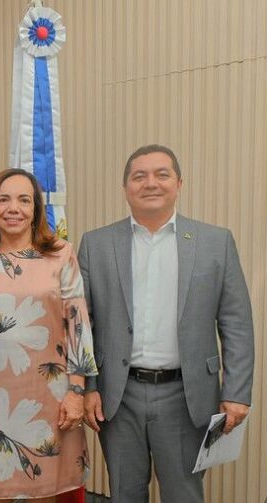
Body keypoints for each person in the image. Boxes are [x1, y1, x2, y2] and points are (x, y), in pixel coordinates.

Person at [78, 144, 254, 502]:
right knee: (124, 493)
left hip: (186, 395)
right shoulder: (96, 244)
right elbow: (83, 323)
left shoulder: (214, 242)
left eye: (162, 174)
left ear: (179, 183)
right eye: (139, 176)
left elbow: (236, 322)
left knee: (184, 494)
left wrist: (236, 392)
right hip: (118, 395)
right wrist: (88, 386)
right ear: (126, 187)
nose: (150, 183)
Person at [0, 169, 98, 502]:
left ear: (36, 209)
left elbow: (78, 324)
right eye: (4, 199)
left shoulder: (59, 254)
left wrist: (76, 390)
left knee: (44, 490)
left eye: (24, 200)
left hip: (51, 398)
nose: (14, 208)